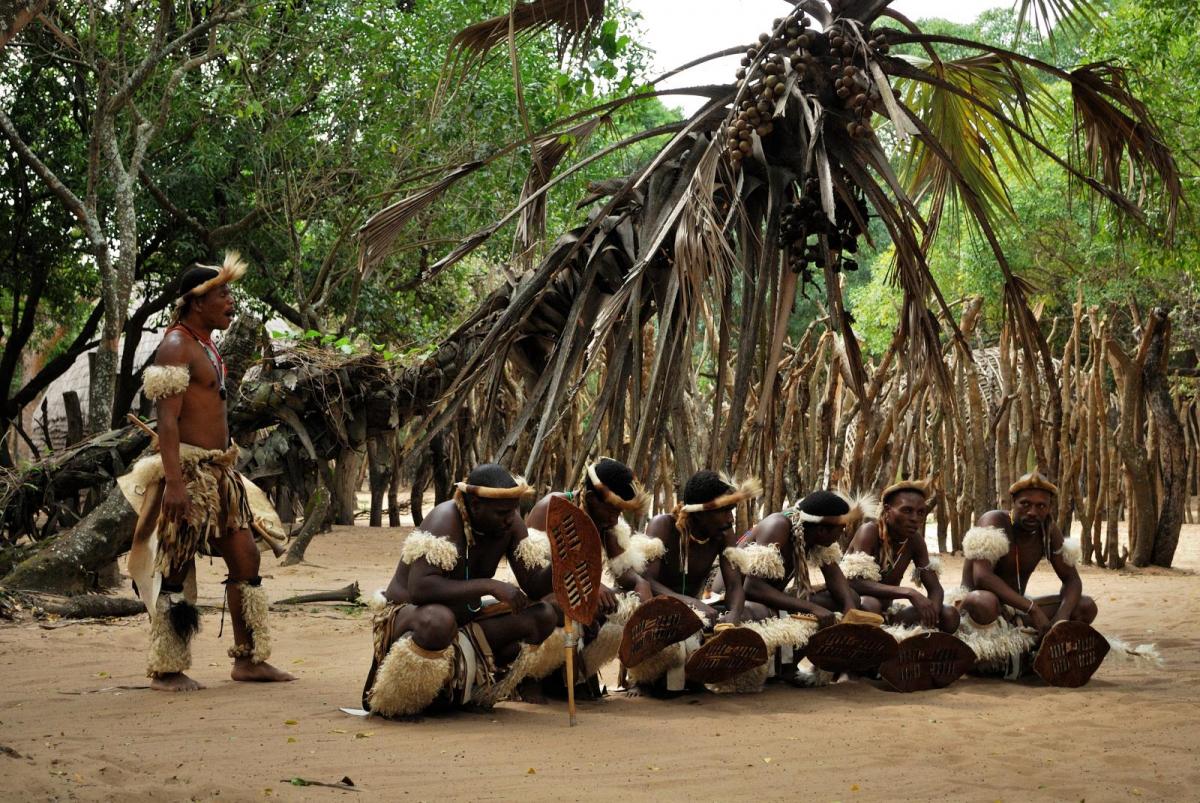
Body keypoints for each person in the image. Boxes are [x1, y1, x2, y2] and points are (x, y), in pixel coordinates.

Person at [119, 252, 294, 691]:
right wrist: (175, 483)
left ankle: (249, 659)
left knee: (246, 558)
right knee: (175, 566)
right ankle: (167, 666)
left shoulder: (205, 343)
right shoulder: (176, 345)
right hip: (191, 473)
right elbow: (168, 422)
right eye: (223, 294)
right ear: (198, 302)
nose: (231, 302)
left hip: (220, 470)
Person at [361, 464, 558, 717]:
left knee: (543, 615)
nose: (510, 519)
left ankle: (474, 692)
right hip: (412, 617)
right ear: (475, 505)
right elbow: (421, 589)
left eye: (513, 510)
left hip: (467, 620)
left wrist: (560, 563)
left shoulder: (510, 525)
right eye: (501, 513)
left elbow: (533, 585)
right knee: (439, 621)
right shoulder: (445, 520)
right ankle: (400, 703)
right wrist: (490, 585)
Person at [519, 457, 651, 692]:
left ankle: (578, 674)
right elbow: (533, 580)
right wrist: (588, 584)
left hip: (579, 600)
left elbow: (626, 575)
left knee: (622, 606)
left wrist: (641, 591)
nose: (615, 518)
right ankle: (532, 678)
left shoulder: (608, 525)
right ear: (591, 499)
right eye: (612, 511)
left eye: (619, 512)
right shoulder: (553, 507)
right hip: (541, 600)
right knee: (557, 608)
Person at [621, 470, 757, 695]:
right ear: (700, 512)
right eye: (724, 511)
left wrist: (733, 616)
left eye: (730, 511)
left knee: (752, 615)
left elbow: (733, 586)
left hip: (698, 612)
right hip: (656, 607)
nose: (730, 519)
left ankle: (697, 675)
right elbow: (647, 582)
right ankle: (643, 678)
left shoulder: (723, 533)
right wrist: (690, 603)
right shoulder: (663, 526)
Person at [954, 472, 1094, 677]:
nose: (1032, 512)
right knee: (983, 602)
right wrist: (1032, 609)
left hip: (1018, 612)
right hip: (981, 613)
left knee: (1085, 606)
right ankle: (992, 657)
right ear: (1013, 502)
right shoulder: (994, 521)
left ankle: (1035, 653)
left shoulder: (1048, 531)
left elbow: (1072, 580)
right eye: (1025, 504)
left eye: (1041, 506)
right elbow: (982, 577)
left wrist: (1060, 619)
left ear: (1049, 508)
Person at [841, 479, 958, 633]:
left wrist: (932, 613)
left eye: (921, 512)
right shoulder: (869, 532)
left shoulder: (915, 541)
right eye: (907, 510)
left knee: (949, 614)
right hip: (857, 611)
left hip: (887, 615)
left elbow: (935, 589)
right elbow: (854, 583)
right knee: (871, 604)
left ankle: (922, 649)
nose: (915, 518)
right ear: (887, 510)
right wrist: (908, 592)